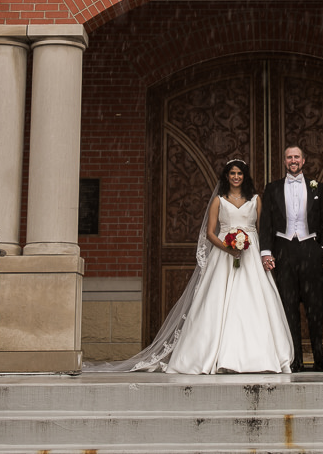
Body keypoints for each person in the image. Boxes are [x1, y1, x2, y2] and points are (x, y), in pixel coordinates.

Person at [85, 158, 293, 374]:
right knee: (216, 304)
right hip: (223, 256)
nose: (236, 177)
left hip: (249, 256)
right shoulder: (219, 201)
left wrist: (259, 251)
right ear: (226, 176)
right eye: (232, 173)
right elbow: (210, 233)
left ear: (245, 176)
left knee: (253, 303)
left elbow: (262, 230)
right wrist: (228, 247)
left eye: (239, 173)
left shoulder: (256, 200)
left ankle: (256, 357)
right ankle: (213, 356)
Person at [261, 145, 323, 372]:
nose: (293, 160)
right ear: (284, 161)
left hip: (309, 250)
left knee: (315, 306)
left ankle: (319, 359)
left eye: (296, 157)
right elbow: (266, 223)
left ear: (303, 161)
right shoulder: (272, 188)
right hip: (283, 250)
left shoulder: (317, 187)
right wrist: (266, 252)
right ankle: (295, 360)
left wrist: (322, 248)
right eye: (289, 157)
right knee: (288, 306)